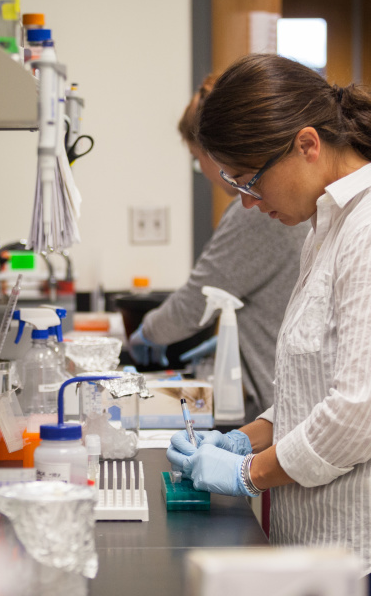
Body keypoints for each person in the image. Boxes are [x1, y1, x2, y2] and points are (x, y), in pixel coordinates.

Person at [166, 54, 371, 596]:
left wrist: (247, 473)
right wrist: (245, 437)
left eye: (249, 179)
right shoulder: (331, 224)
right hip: (338, 551)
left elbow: (357, 415)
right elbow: (317, 385)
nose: (246, 201)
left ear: (307, 144)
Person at [128, 74, 309, 422]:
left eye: (199, 157)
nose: (206, 170)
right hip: (284, 402)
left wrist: (144, 335)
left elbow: (198, 299)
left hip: (286, 407)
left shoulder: (256, 212)